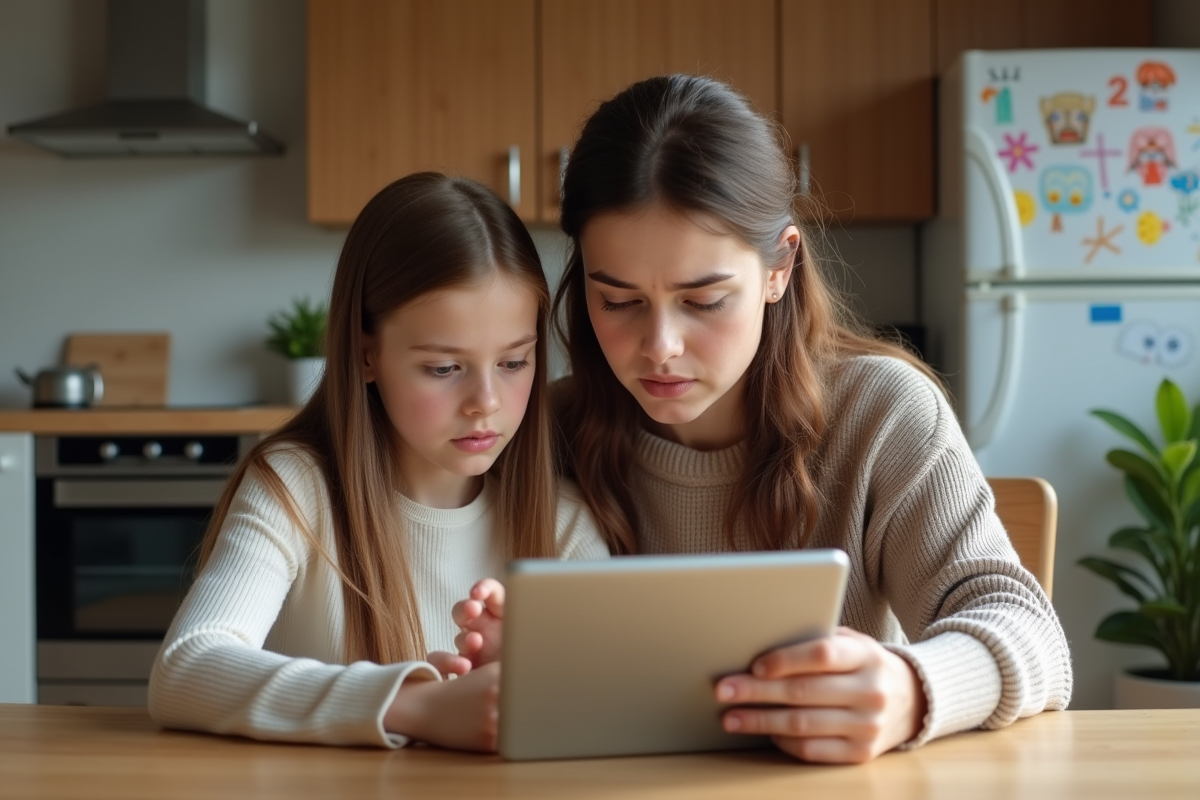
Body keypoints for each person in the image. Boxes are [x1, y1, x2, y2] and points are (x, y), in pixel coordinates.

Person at [452, 75, 1073, 764]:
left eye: (705, 300)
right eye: (619, 301)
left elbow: (1031, 632)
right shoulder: (540, 428)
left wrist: (912, 689)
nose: (660, 346)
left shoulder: (882, 412)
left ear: (780, 267)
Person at [148, 173, 608, 751]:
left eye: (514, 363)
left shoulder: (562, 518)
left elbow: (610, 701)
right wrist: (417, 705)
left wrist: (528, 675)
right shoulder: (296, 487)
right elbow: (186, 668)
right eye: (444, 368)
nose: (486, 403)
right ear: (368, 356)